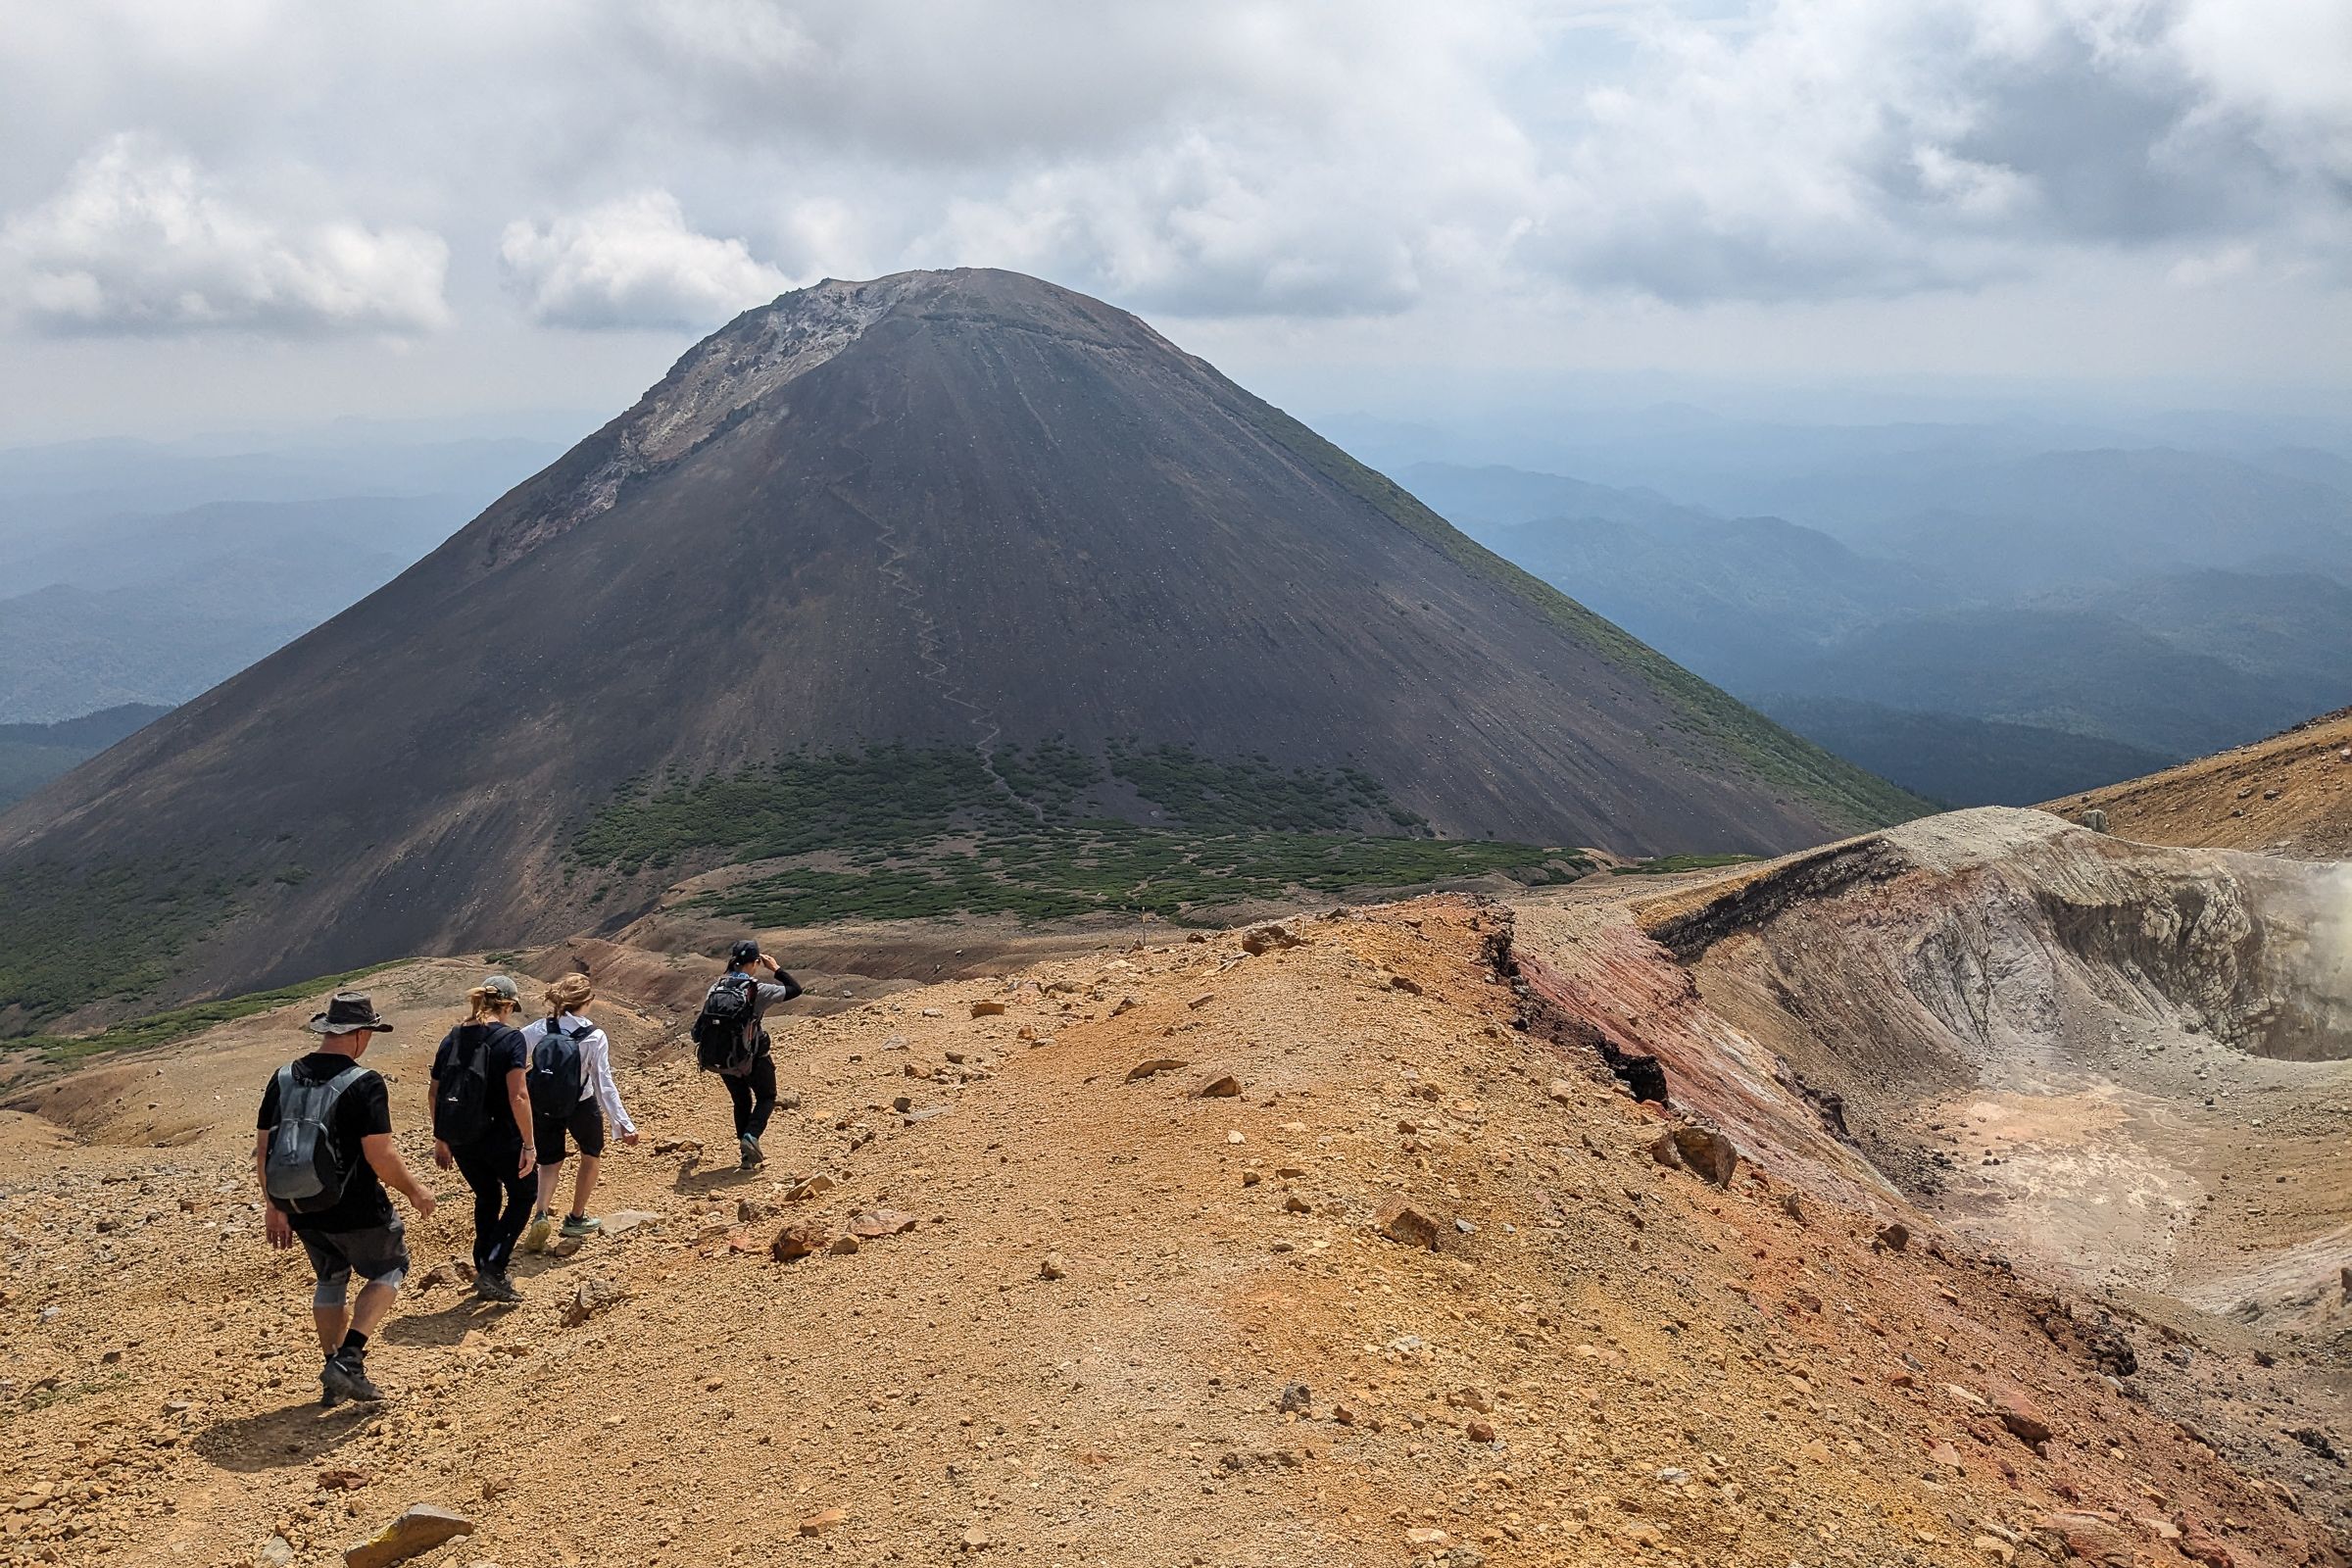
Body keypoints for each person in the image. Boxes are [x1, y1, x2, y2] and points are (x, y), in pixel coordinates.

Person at [255, 990, 435, 1405]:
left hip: (300, 1205)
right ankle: (349, 1359)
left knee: (330, 1279)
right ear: (357, 1034)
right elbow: (381, 1156)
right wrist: (415, 1190)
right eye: (369, 1032)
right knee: (390, 1268)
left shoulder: (282, 1078)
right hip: (355, 1207)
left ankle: (331, 1369)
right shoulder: (364, 1082)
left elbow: (264, 1151)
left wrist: (275, 1206)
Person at [427, 976, 537, 1302]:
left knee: (487, 1196)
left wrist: (441, 1139)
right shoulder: (510, 1039)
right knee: (523, 1194)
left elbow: (435, 1093)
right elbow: (519, 1095)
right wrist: (529, 1145)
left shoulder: (452, 1038)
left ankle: (483, 1264)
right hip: (500, 1136)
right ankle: (494, 1268)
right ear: (505, 1005)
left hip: (461, 1138)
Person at [517, 973, 637, 1252]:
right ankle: (576, 1218)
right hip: (581, 1103)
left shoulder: (539, 1029)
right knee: (591, 1154)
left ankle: (541, 1214)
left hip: (543, 1105)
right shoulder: (594, 1036)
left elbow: (514, 1061)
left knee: (549, 1163)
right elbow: (604, 1084)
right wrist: (624, 1124)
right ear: (587, 1002)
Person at [703, 939, 804, 1169]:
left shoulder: (715, 987)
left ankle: (746, 1157)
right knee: (767, 1096)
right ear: (756, 962)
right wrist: (776, 969)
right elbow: (796, 990)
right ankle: (751, 1137)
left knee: (741, 1101)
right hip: (752, 1057)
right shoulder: (757, 989)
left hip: (724, 1058)